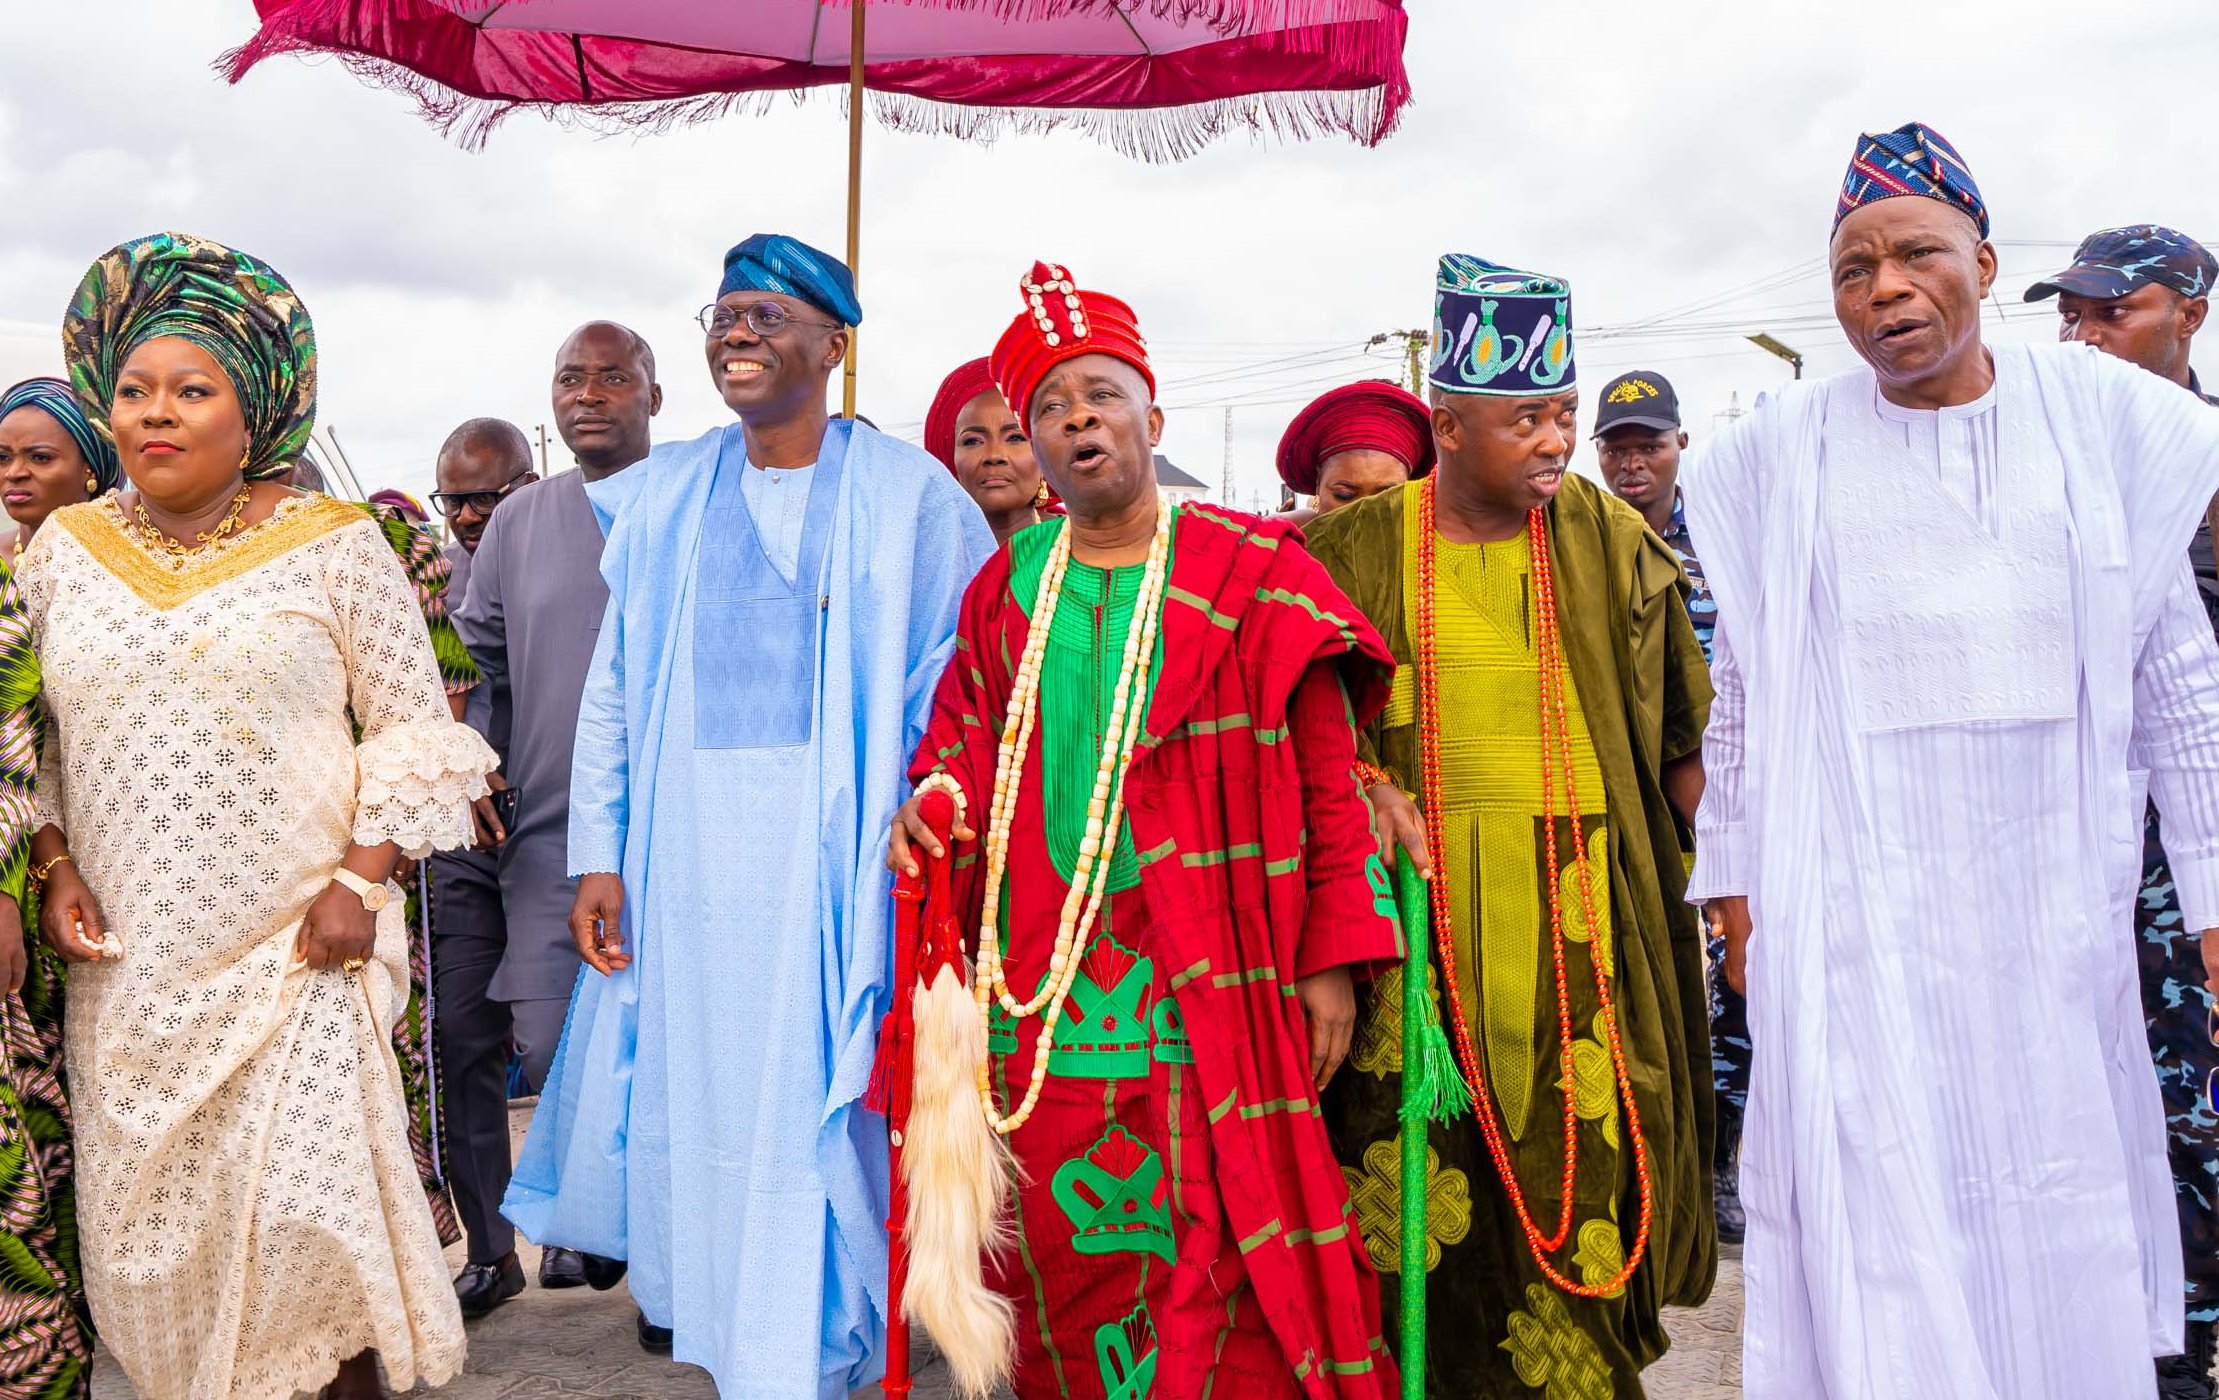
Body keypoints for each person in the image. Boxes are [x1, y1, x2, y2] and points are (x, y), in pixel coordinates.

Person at [1685, 124, 2219, 1398]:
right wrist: (1735, 891)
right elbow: (1745, 693)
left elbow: (2174, 679)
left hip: (2052, 906)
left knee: (2053, 1195)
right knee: (1873, 1197)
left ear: (1981, 259)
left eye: (1915, 252)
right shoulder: (1776, 454)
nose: (1883, 289)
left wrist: (2208, 893)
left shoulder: (2102, 424)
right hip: (1857, 911)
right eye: (1851, 268)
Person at [885, 262, 1403, 1400]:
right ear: (1030, 444)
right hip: (1042, 976)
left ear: (1151, 417)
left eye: (1101, 394)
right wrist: (930, 805)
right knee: (1066, 1247)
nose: (1078, 418)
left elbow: (1326, 783)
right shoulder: (1002, 588)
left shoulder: (1257, 571)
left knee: (1213, 1243)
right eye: (1050, 405)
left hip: (1217, 958)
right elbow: (964, 743)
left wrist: (1328, 956)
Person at [504, 233, 992, 1391]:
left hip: (846, 863)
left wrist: (924, 802)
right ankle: (735, 1330)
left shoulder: (910, 495)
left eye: (771, 316)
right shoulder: (664, 493)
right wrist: (601, 856)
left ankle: (825, 1337)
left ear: (834, 345)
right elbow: (613, 686)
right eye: (724, 313)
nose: (738, 331)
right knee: (704, 1093)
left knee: (831, 1089)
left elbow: (953, 672)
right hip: (688, 865)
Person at [25, 232, 494, 1399]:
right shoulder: (62, 555)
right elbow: (19, 735)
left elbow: (410, 727)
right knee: (158, 1273)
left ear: (257, 412)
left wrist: (360, 880)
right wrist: (47, 857)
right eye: (134, 392)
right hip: (128, 979)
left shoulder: (335, 547)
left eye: (192, 390)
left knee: (313, 1251)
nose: (154, 415)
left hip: (298, 957)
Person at [1307, 255, 1716, 1397]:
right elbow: (1292, 740)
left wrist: (1742, 889)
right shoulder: (1342, 555)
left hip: (1578, 915)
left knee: (1583, 1188)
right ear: (1444, 421)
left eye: (1564, 417)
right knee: (1401, 1209)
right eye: (1524, 417)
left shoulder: (1614, 546)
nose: (1554, 442)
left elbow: (1685, 744)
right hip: (1407, 933)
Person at [2029, 224, 2219, 1398]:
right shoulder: (2047, 463)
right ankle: (2135, 1342)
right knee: (2091, 1092)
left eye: (2113, 310)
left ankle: (2181, 1341)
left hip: (2194, 844)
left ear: (2187, 312)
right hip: (2084, 827)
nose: (2083, 333)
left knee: (2193, 1093)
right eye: (2074, 314)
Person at [451, 327, 660, 1310]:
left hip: (673, 832)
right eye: (569, 380)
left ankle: (660, 1267)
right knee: (550, 1036)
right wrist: (472, 767)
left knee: (664, 1048)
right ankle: (590, 1216)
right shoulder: (520, 520)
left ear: (653, 395)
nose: (589, 397)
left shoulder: (696, 500)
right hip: (548, 832)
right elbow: (474, 659)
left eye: (612, 378)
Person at [1592, 368, 1740, 1246]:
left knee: (1731, 982)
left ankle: (1721, 1160)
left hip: (1723, 780)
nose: (1632, 459)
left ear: (1678, 442)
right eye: (1616, 445)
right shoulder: (1580, 534)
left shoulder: (1721, 530)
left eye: (1648, 441)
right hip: (1631, 787)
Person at [418, 416, 553, 1316]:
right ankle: (492, 1251)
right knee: (464, 1043)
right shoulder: (414, 585)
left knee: (565, 1039)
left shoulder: (564, 558)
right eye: (453, 499)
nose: (468, 516)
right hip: (455, 850)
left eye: (487, 496)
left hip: (548, 829)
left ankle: (591, 1233)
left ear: (529, 483)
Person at [0, 384, 92, 1395]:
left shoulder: (110, 576)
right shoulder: (4, 579)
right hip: (28, 863)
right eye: (4, 458)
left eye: (41, 456)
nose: (17, 476)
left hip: (86, 869)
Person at [1274, 379, 1434, 527]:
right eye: (1344, 495)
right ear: (1318, 484)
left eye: (1387, 499)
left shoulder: (1435, 546)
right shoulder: (1286, 541)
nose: (1363, 514)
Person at [926, 356, 1050, 544]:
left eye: (1016, 438)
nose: (994, 455)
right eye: (973, 441)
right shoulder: (924, 555)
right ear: (952, 462)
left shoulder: (1089, 549)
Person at [0, 378, 123, 565]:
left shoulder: (126, 570)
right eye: (3, 458)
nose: (14, 473)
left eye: (40, 458)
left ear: (91, 468)